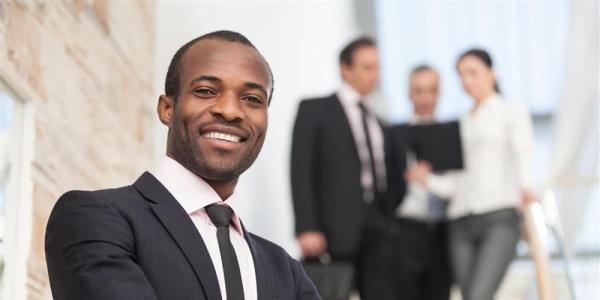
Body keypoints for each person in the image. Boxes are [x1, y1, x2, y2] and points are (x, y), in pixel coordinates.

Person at [45, 30, 320, 300]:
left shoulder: (285, 270)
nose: (230, 110)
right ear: (167, 109)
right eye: (205, 91)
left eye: (252, 99)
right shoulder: (95, 219)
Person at [406, 49, 535, 300]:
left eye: (472, 72)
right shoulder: (459, 124)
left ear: (492, 73)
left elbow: (524, 155)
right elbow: (453, 184)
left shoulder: (511, 111)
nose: (467, 81)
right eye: (461, 75)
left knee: (478, 296)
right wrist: (426, 179)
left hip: (499, 218)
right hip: (459, 223)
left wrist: (528, 189)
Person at [290, 37, 395, 299]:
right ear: (345, 69)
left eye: (378, 67)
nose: (375, 75)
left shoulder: (377, 118)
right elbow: (300, 170)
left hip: (378, 224)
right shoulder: (315, 110)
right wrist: (306, 226)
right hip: (333, 227)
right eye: (367, 67)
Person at [387, 65, 452, 300]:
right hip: (405, 232)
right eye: (419, 90)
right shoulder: (394, 134)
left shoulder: (451, 134)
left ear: (439, 93)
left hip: (442, 232)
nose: (425, 97)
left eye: (431, 90)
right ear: (409, 93)